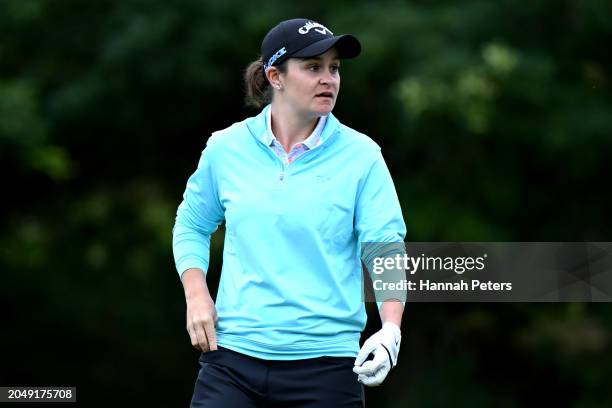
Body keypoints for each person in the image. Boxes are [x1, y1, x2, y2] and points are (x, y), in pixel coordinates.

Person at [172, 18, 406, 407]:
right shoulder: (225, 149)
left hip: (327, 369)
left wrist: (391, 330)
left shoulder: (362, 156)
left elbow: (384, 249)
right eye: (313, 67)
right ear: (275, 76)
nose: (328, 78)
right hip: (231, 361)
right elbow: (192, 224)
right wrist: (196, 294)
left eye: (334, 68)